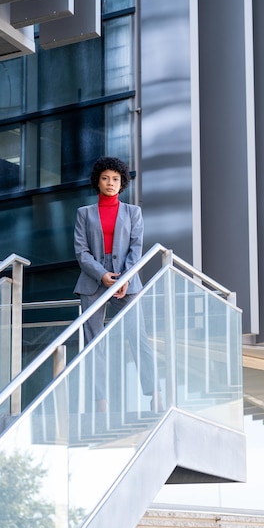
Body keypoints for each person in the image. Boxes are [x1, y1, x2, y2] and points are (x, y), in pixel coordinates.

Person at [74, 156, 162, 412]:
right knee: (93, 343)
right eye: (105, 178)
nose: (110, 183)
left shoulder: (133, 212)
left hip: (127, 283)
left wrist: (124, 278)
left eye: (115, 179)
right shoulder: (84, 214)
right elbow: (81, 251)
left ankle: (155, 392)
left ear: (122, 183)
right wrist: (102, 275)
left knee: (139, 338)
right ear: (97, 182)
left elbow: (137, 248)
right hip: (93, 282)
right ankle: (100, 401)